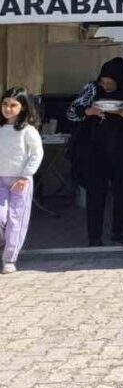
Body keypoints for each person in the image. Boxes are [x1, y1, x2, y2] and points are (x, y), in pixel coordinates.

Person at [68, 57, 123, 246]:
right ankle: (94, 236)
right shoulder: (92, 89)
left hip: (122, 150)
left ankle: (119, 232)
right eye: (104, 82)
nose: (106, 86)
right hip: (95, 151)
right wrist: (88, 111)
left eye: (110, 83)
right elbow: (71, 112)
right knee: (95, 195)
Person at [0, 87, 42, 273]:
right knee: (1, 217)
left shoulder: (28, 131)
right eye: (4, 104)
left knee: (16, 220)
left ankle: (9, 259)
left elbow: (36, 153)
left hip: (20, 181)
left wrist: (25, 176)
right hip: (1, 180)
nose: (8, 109)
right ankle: (3, 243)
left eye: (13, 105)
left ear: (23, 107)